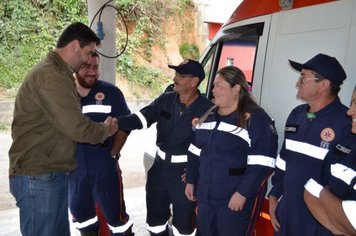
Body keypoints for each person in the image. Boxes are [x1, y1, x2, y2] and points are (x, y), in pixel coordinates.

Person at [8, 22, 118, 236]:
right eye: (89, 53)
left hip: (49, 173)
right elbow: (76, 126)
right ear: (75, 45)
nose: (89, 60)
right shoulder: (51, 76)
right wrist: (105, 130)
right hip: (38, 176)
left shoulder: (58, 73)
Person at [117, 59, 213, 236]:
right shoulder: (165, 100)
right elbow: (141, 118)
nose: (175, 78)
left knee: (184, 228)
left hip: (185, 176)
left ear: (194, 82)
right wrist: (117, 122)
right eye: (176, 74)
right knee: (155, 223)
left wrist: (196, 173)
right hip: (159, 171)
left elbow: (212, 149)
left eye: (181, 75)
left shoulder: (208, 110)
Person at [185, 66, 278, 236]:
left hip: (234, 200)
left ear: (236, 89)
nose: (213, 91)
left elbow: (263, 163)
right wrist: (191, 180)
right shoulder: (209, 115)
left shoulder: (256, 118)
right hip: (206, 197)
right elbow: (194, 151)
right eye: (213, 85)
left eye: (218, 86)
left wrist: (243, 193)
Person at [268, 53, 352, 236]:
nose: (297, 83)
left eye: (303, 78)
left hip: (319, 221)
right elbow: (284, 160)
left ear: (324, 84)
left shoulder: (346, 123)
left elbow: (342, 184)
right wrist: (274, 196)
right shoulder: (296, 115)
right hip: (286, 213)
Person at [68, 52, 133, 236]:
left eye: (95, 67)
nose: (91, 72)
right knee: (82, 218)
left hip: (104, 167)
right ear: (75, 68)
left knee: (117, 220)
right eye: (86, 67)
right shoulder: (65, 94)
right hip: (74, 171)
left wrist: (114, 152)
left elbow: (125, 125)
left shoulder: (111, 93)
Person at [303, 85, 356, 235]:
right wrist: (338, 230)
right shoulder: (346, 144)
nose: (350, 111)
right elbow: (310, 190)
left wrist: (325, 195)